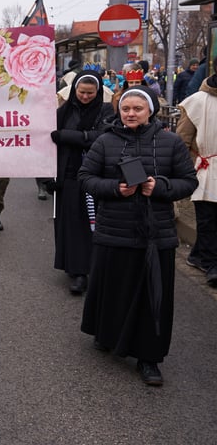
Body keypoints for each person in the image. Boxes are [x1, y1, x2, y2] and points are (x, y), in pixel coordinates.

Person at [78, 85, 197, 386]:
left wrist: (160, 187)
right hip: (114, 231)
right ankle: (107, 336)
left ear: (150, 111)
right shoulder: (105, 141)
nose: (131, 113)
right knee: (113, 290)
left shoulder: (170, 142)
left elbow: (188, 182)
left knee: (152, 297)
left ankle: (149, 358)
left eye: (137, 109)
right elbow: (86, 178)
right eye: (126, 109)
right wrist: (114, 189)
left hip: (156, 235)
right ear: (119, 111)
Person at [49, 70, 114, 294]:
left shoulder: (106, 111)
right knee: (71, 224)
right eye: (82, 92)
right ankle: (76, 268)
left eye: (90, 93)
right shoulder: (62, 111)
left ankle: (88, 270)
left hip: (94, 176)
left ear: (98, 93)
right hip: (68, 174)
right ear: (74, 90)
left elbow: (103, 137)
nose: (85, 97)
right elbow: (46, 140)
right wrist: (49, 176)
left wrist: (70, 136)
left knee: (90, 224)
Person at [176, 71, 217, 284]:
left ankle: (197, 254)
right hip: (207, 166)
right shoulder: (197, 102)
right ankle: (211, 263)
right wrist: (183, 172)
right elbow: (183, 139)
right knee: (208, 217)